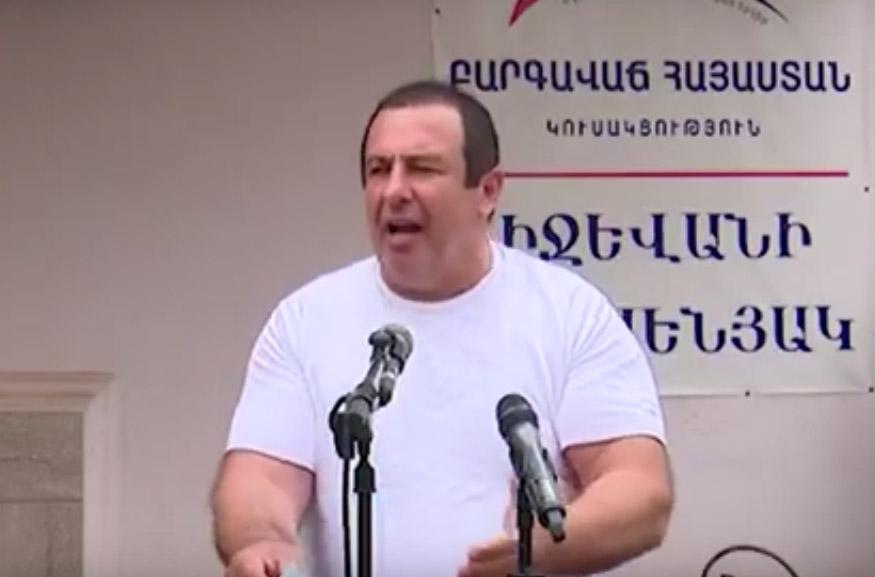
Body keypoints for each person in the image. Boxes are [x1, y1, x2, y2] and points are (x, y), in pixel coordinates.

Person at [210, 79, 674, 577]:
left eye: (422, 168)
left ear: (487, 191)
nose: (394, 191)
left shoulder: (569, 313)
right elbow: (261, 478)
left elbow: (640, 490)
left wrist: (541, 547)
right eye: (378, 169)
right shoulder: (307, 320)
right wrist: (261, 542)